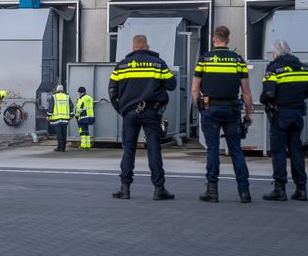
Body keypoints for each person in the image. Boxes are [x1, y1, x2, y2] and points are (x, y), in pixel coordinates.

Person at [108, 34, 176, 200]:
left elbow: (112, 91)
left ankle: (125, 189)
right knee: (154, 149)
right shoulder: (158, 64)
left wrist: (122, 110)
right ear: (147, 46)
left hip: (129, 114)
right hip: (152, 112)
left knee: (129, 150)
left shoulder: (121, 65)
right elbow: (172, 85)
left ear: (133, 48)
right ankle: (159, 189)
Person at [191, 25, 253, 203]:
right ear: (228, 40)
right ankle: (244, 192)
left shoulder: (205, 59)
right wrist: (249, 114)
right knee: (236, 150)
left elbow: (195, 89)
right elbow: (246, 92)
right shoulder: (237, 60)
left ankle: (212, 191)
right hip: (232, 110)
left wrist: (199, 108)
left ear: (214, 39)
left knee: (212, 149)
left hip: (210, 110)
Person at [260, 39, 308, 202]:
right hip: (297, 113)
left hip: (280, 114)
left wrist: (264, 100)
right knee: (296, 151)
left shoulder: (274, 68)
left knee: (278, 152)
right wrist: (297, 99)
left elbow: (268, 94)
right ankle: (301, 189)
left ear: (276, 53)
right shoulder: (302, 67)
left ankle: (280, 189)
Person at [47, 85, 73, 151]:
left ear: (57, 90)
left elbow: (51, 107)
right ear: (62, 89)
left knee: (59, 134)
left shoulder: (54, 96)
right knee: (64, 134)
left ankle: (60, 148)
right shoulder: (67, 96)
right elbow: (71, 106)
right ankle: (63, 147)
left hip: (57, 118)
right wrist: (71, 115)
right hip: (65, 118)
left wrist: (48, 116)